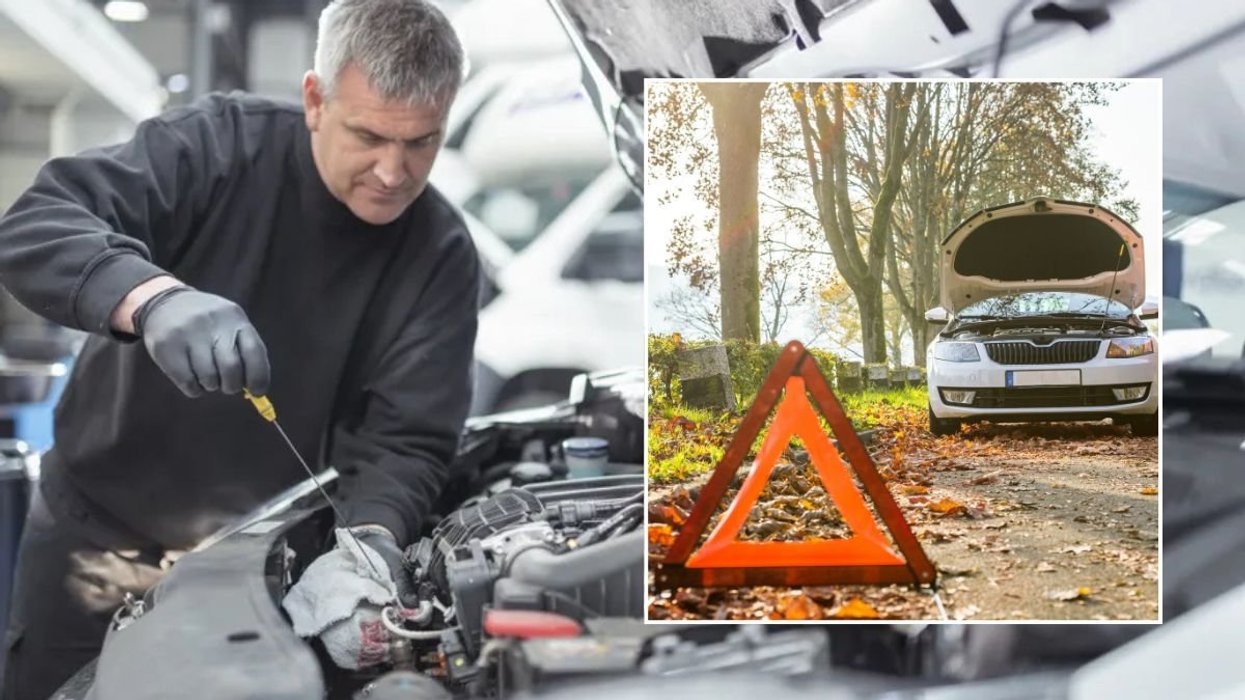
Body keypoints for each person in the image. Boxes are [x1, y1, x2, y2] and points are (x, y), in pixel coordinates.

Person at [0, 1, 478, 697]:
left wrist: (370, 542)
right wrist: (150, 298)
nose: (392, 171)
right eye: (369, 135)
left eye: (421, 142)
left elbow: (407, 438)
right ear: (315, 100)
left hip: (264, 570)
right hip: (97, 544)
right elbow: (34, 227)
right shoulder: (218, 146)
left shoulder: (439, 253)